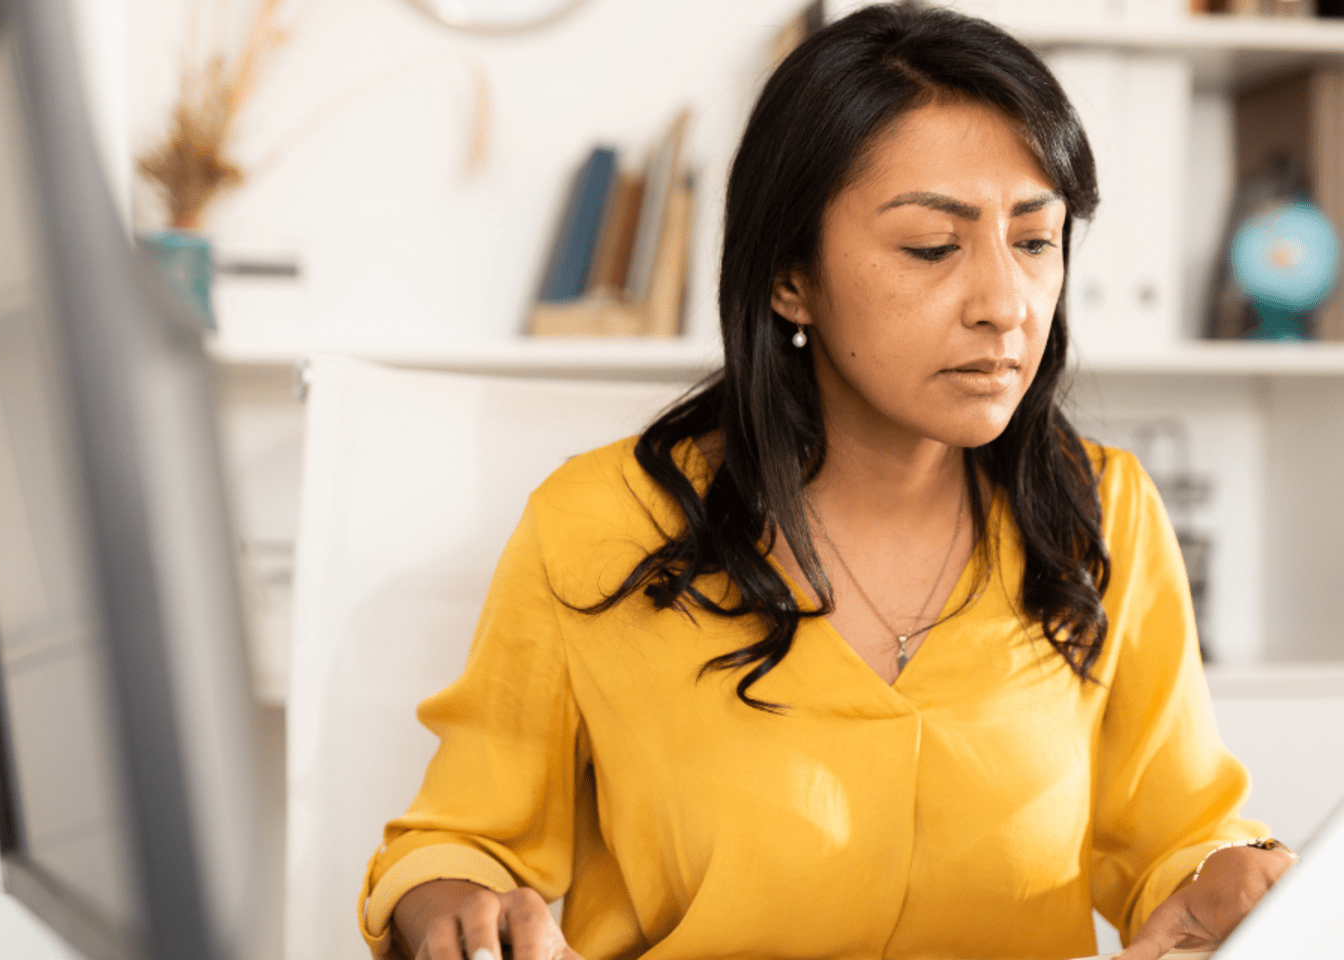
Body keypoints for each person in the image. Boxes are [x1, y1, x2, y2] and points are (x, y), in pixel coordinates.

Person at [359, 5, 1296, 959]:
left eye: (1035, 240)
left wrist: (1228, 872)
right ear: (789, 277)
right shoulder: (599, 524)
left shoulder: (1105, 513)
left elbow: (1174, 833)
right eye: (934, 247)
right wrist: (456, 909)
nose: (1007, 307)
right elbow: (460, 842)